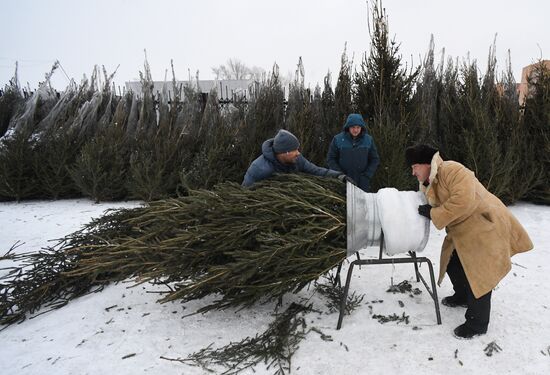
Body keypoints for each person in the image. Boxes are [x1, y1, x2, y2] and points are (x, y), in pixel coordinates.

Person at [405, 144, 533, 339]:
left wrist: (433, 213)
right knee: (452, 263)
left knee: (480, 275)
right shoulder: (429, 182)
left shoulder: (452, 170)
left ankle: (477, 324)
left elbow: (463, 200)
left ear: (425, 164)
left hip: (485, 225)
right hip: (463, 230)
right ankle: (463, 295)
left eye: (415, 167)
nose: (413, 172)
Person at [242, 129, 350, 187]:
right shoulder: (260, 169)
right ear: (285, 152)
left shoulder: (297, 159)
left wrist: (340, 176)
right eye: (295, 150)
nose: (298, 153)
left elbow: (317, 171)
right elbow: (244, 195)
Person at [326, 113, 380, 192]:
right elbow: (331, 159)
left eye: (358, 127)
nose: (355, 130)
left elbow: (375, 159)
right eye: (353, 127)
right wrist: (340, 175)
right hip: (343, 181)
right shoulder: (337, 139)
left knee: (362, 203)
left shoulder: (368, 140)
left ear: (362, 127)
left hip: (363, 183)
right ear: (348, 127)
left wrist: (367, 175)